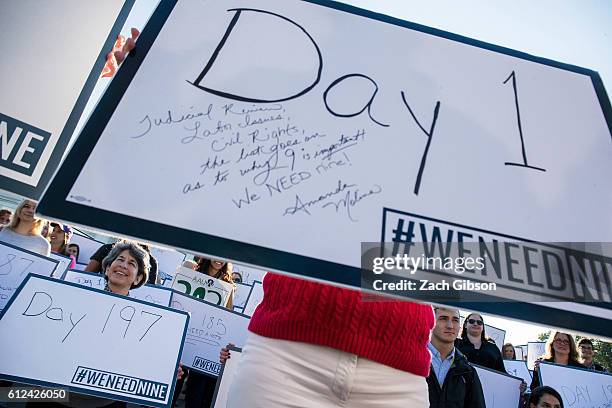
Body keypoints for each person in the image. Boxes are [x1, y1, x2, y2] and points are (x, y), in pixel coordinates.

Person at [116, 32, 434, 408]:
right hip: (286, 354)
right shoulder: (304, 114)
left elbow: (480, 262)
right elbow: (215, 149)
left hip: (397, 373)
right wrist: (150, 81)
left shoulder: (447, 154)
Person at [184, 257, 236, 408]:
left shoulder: (228, 285)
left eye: (224, 258)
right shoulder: (194, 272)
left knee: (197, 388)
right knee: (177, 382)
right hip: (187, 333)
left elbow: (228, 314)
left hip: (205, 342)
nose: (219, 260)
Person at [427, 307, 485, 408]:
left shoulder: (468, 372)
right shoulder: (410, 361)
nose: (450, 326)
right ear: (431, 321)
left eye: (455, 320)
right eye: (443, 319)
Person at [86, 241, 158, 284]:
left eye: (132, 263)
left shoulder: (151, 262)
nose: (123, 265)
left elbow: (149, 291)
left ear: (138, 278)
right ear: (107, 269)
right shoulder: (106, 249)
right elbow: (85, 276)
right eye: (120, 259)